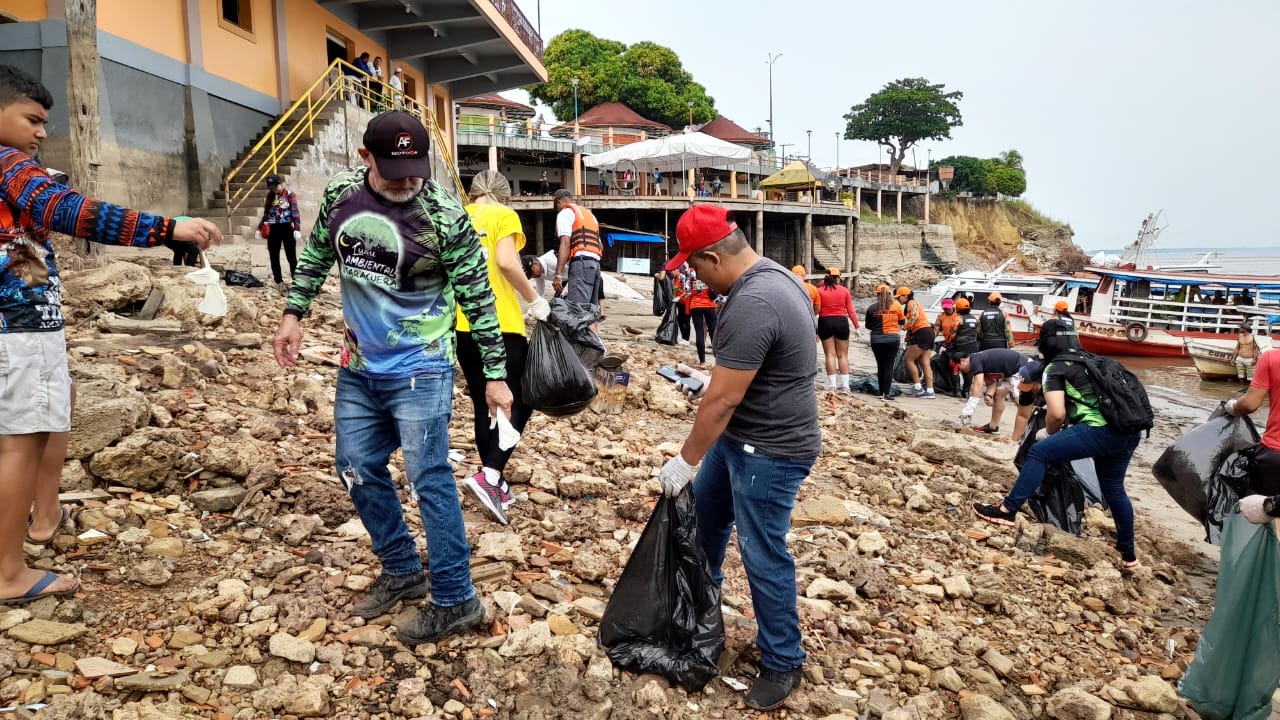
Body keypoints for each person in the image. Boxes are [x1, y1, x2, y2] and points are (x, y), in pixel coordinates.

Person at [271, 110, 512, 645]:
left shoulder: (445, 215)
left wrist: (494, 376)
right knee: (354, 465)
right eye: (395, 169)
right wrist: (293, 316)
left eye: (416, 169)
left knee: (429, 476)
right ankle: (401, 567)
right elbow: (314, 255)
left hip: (422, 368)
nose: (407, 180)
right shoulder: (340, 196)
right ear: (365, 160)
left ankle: (456, 599)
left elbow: (478, 294)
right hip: (358, 365)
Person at [0, 65, 218, 604]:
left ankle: (45, 517)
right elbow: (68, 210)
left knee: (57, 409)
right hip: (15, 329)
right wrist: (166, 228)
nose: (40, 133)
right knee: (18, 443)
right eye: (31, 119)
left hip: (32, 325)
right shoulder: (7, 163)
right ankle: (7, 573)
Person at [655, 204, 819, 710]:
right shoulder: (771, 278)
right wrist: (713, 383)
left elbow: (724, 402)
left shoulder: (755, 301)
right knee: (704, 531)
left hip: (770, 450)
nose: (695, 277)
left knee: (762, 553)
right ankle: (702, 624)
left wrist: (684, 461)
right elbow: (750, 377)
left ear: (711, 256)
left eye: (695, 267)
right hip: (741, 440)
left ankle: (783, 661)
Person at [972, 320, 1143, 569]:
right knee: (1114, 488)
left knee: (1039, 452)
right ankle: (1128, 555)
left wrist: (1048, 433)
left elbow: (1057, 414)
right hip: (1129, 431)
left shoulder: (1055, 368)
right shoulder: (1093, 360)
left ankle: (1007, 509)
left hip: (1101, 430)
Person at [456, 170, 550, 525]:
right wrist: (534, 299)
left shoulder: (458, 215)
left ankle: (492, 479)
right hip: (501, 322)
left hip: (463, 325)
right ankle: (490, 476)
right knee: (522, 396)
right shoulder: (503, 215)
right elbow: (507, 262)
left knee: (486, 401)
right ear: (504, 194)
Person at [1225, 349, 1280, 523]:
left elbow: (1249, 404)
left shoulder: (1272, 358)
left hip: (1274, 454)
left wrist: (1233, 406)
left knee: (1264, 519)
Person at [953, 348, 1039, 434]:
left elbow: (978, 385)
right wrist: (989, 395)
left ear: (963, 360)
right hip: (1011, 371)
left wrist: (968, 411)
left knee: (1020, 400)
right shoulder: (978, 360)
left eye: (959, 368)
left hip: (1021, 368)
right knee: (999, 394)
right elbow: (991, 383)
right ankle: (993, 427)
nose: (961, 371)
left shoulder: (975, 361)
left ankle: (1033, 427)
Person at [551, 189, 602, 313]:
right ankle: (592, 333)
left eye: (557, 207)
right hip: (595, 265)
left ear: (559, 202)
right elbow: (600, 245)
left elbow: (565, 242)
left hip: (581, 264)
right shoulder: (589, 215)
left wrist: (558, 274)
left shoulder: (565, 212)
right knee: (590, 313)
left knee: (577, 312)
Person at [255, 173, 302, 288]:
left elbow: (295, 212)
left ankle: (296, 281)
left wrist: (297, 228)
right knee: (273, 255)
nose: (273, 189)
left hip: (286, 227)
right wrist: (259, 228)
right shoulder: (270, 196)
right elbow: (266, 213)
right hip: (273, 228)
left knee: (291, 256)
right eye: (271, 187)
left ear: (281, 184)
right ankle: (278, 281)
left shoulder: (290, 195)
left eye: (275, 187)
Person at [817, 268, 859, 393]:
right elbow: (850, 310)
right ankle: (846, 387)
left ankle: (832, 386)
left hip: (825, 321)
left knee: (830, 355)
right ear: (838, 277)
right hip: (841, 321)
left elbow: (816, 310)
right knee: (843, 355)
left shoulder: (819, 291)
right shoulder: (844, 291)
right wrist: (856, 327)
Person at [865, 285, 905, 401]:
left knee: (880, 365)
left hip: (876, 340)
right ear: (889, 294)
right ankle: (886, 394)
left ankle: (881, 392)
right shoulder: (897, 306)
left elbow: (868, 325)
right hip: (892, 339)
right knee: (888, 366)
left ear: (877, 294)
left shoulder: (872, 308)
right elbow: (902, 321)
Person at [897, 286, 935, 398]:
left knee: (908, 359)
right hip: (929, 332)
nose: (899, 300)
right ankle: (930, 390)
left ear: (906, 296)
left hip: (921, 332)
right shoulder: (915, 303)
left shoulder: (911, 303)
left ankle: (918, 387)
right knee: (925, 364)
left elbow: (915, 317)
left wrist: (905, 327)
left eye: (900, 297)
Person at [686, 270, 717, 364]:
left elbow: (687, 289)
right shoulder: (709, 272)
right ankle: (718, 361)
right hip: (709, 305)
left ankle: (702, 361)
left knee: (699, 332)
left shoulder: (690, 272)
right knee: (713, 333)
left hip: (695, 305)